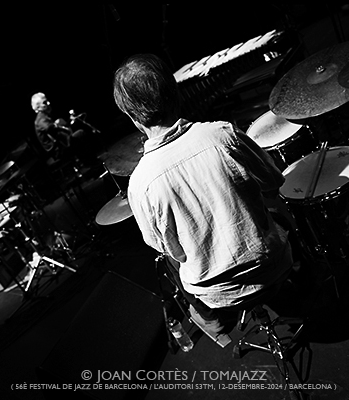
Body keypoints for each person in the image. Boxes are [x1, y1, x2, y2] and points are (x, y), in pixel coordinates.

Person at [112, 54, 296, 336]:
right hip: (271, 267)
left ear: (131, 116)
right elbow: (273, 183)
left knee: (172, 262)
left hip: (216, 294)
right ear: (176, 93)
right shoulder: (222, 135)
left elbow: (168, 249)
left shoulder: (139, 185)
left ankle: (215, 325)